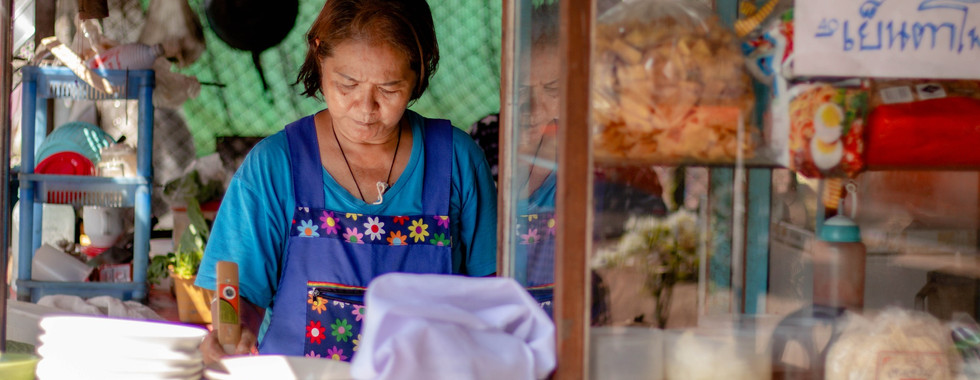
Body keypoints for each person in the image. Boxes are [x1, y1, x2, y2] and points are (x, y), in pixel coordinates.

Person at [195, 0, 497, 363]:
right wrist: (232, 332)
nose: (366, 108)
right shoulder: (275, 166)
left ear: (418, 71)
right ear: (319, 55)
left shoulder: (457, 161)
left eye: (389, 89)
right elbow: (236, 293)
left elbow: (493, 295)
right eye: (347, 83)